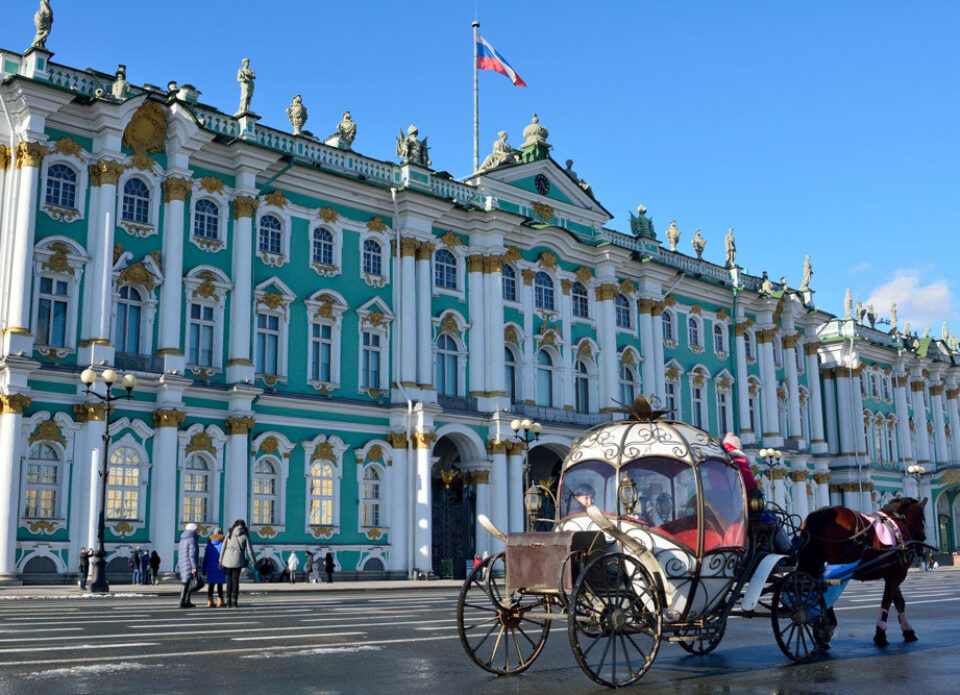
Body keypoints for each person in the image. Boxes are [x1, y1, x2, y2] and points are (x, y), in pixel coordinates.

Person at [220, 519, 255, 607]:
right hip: (238, 561)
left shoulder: (230, 533)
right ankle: (234, 601)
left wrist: (220, 560)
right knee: (235, 581)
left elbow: (223, 547)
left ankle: (228, 602)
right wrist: (254, 561)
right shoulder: (245, 535)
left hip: (227, 560)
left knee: (229, 581)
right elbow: (250, 550)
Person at [201, 527, 226, 607]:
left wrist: (203, 569)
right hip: (220, 567)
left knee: (211, 585)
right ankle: (220, 601)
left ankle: (209, 601)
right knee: (220, 584)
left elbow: (205, 558)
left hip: (210, 568)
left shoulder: (209, 545)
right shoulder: (223, 544)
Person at [177, 524, 200, 609]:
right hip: (189, 564)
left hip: (183, 563)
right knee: (187, 583)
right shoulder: (191, 539)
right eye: (197, 529)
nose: (198, 531)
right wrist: (194, 567)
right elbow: (192, 555)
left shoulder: (183, 539)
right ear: (193, 530)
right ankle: (183, 601)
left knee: (186, 582)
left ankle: (186, 601)